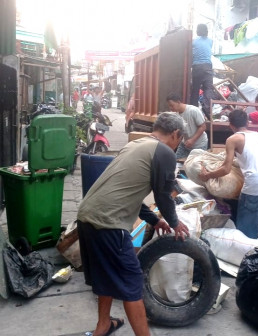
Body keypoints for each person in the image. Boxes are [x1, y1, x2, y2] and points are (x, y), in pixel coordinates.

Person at [77, 112, 190, 336]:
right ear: (175, 134)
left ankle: (103, 325)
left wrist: (155, 220)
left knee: (106, 275)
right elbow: (164, 195)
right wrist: (175, 223)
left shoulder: (136, 145)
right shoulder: (164, 152)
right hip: (109, 224)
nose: (178, 145)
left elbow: (127, 194)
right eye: (180, 139)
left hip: (87, 216)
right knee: (131, 283)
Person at [199, 109, 258, 240]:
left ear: (231, 125)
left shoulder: (232, 139)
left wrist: (208, 175)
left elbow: (226, 169)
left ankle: (247, 254)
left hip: (254, 184)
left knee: (247, 227)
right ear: (247, 123)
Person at [167, 92, 208, 159]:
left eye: (172, 105)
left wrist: (192, 140)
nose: (170, 108)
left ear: (178, 102)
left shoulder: (193, 110)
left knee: (195, 166)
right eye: (169, 106)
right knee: (176, 161)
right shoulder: (176, 114)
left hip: (199, 144)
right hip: (185, 143)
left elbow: (203, 127)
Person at [190, 23, 213, 116]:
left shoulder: (194, 42)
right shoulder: (211, 41)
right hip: (208, 67)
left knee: (195, 90)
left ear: (198, 31)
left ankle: (194, 112)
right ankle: (208, 112)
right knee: (208, 90)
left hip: (197, 67)